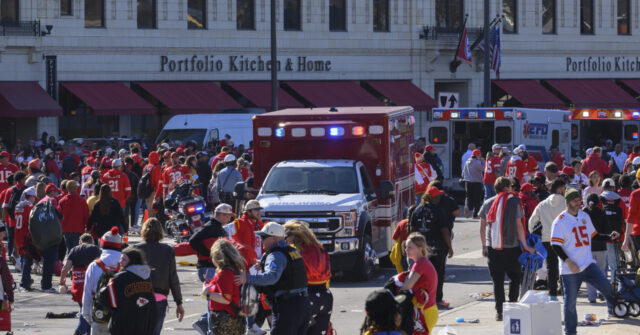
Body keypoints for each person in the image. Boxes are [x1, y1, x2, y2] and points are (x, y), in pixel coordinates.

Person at [550, 188, 618, 335]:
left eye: (579, 200)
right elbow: (555, 245)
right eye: (575, 200)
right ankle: (570, 332)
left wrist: (608, 236)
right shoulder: (559, 221)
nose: (579, 203)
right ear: (568, 202)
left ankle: (614, 311)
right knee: (570, 304)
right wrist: (569, 262)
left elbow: (594, 235)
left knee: (607, 287)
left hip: (587, 263)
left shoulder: (584, 216)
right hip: (570, 270)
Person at [234, 222, 311, 335]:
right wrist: (265, 263)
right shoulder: (291, 250)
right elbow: (289, 270)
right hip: (303, 304)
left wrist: (247, 278)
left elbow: (271, 277)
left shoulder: (276, 255)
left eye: (264, 237)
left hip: (288, 306)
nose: (261, 240)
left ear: (274, 238)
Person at [479, 177, 535, 321]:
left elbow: (482, 227)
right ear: (508, 187)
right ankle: (512, 306)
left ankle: (500, 312)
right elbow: (519, 226)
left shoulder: (487, 203)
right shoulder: (515, 201)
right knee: (515, 278)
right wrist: (526, 246)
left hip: (494, 247)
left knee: (497, 281)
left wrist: (484, 245)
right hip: (512, 246)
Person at [135, 218, 184, 335]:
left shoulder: (135, 249)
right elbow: (173, 278)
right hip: (159, 297)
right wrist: (179, 302)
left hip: (138, 295)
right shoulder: (168, 250)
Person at [189, 203, 233, 334]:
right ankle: (208, 328)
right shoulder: (211, 227)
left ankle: (204, 324)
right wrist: (209, 254)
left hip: (211, 268)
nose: (230, 219)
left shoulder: (217, 227)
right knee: (212, 300)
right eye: (228, 216)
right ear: (222, 215)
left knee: (215, 300)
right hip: (207, 268)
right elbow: (193, 240)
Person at [283, 220, 332, 335]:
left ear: (294, 235)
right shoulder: (320, 248)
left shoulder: (296, 251)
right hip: (325, 298)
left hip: (305, 299)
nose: (284, 239)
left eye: (285, 236)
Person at [409, 186, 453, 308]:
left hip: (420, 248)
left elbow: (412, 230)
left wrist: (411, 247)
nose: (440, 197)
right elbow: (444, 230)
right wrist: (449, 247)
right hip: (437, 248)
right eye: (438, 195)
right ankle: (437, 299)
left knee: (420, 275)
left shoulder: (417, 210)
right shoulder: (438, 211)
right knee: (438, 273)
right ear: (435, 197)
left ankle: (421, 298)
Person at [98, 247, 158, 335]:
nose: (120, 262)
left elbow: (105, 297)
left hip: (125, 323)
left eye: (124, 260)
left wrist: (102, 289)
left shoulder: (121, 277)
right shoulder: (147, 276)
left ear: (132, 261)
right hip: (146, 321)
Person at [528, 179, 566, 300]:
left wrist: (532, 233)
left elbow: (531, 221)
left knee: (551, 266)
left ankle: (553, 295)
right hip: (563, 238)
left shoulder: (543, 204)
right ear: (559, 189)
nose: (565, 191)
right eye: (564, 188)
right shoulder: (566, 203)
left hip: (547, 238)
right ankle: (566, 293)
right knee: (565, 264)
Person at [81, 227, 123, 335]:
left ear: (102, 244)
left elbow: (87, 294)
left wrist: (87, 315)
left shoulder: (94, 266)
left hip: (99, 314)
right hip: (121, 316)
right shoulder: (125, 264)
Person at [59, 233, 101, 335]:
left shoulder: (74, 250)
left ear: (80, 241)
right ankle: (80, 329)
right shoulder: (95, 249)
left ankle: (86, 331)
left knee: (83, 307)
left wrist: (61, 282)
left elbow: (66, 268)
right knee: (88, 309)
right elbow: (100, 264)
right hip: (90, 282)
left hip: (78, 283)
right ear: (91, 241)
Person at [203, 239, 245, 335]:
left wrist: (207, 293)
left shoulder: (225, 273)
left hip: (224, 317)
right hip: (231, 316)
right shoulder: (233, 270)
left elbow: (226, 298)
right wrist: (209, 283)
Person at [399, 233, 439, 334]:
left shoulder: (420, 264)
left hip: (426, 312)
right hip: (429, 309)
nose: (406, 250)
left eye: (410, 247)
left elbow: (407, 286)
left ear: (420, 248)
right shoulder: (422, 262)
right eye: (406, 247)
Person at [583, 194, 609, 304]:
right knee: (601, 271)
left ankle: (591, 297)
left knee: (589, 272)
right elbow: (606, 229)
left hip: (587, 247)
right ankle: (602, 292)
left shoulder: (583, 213)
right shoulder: (602, 213)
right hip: (601, 246)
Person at [600, 178, 627, 284]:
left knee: (601, 266)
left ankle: (601, 290)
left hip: (600, 238)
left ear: (602, 188)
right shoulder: (620, 201)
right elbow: (625, 218)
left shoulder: (598, 200)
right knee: (614, 264)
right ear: (613, 188)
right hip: (615, 238)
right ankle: (614, 287)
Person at [59, 181, 90, 255]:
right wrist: (88, 228)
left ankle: (68, 265)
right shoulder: (81, 200)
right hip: (78, 230)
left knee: (69, 250)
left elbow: (59, 217)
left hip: (66, 230)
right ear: (76, 188)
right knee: (76, 251)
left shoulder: (62, 201)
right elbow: (86, 216)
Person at [14, 187, 36, 291]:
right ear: (31, 196)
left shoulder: (18, 205)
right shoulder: (29, 206)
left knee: (24, 259)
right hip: (26, 236)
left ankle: (27, 280)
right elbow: (30, 221)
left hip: (18, 235)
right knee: (27, 260)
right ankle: (24, 282)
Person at [462, 149, 484, 218]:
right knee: (477, 199)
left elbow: (463, 172)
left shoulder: (467, 162)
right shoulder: (477, 162)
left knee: (468, 197)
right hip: (476, 182)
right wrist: (483, 161)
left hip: (467, 182)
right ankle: (475, 215)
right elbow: (483, 168)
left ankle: (467, 207)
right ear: (477, 155)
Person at [142, 151, 162, 219]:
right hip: (154, 192)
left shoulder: (145, 167)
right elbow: (158, 181)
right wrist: (158, 193)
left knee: (149, 210)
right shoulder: (157, 167)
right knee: (154, 212)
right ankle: (154, 227)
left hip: (146, 191)